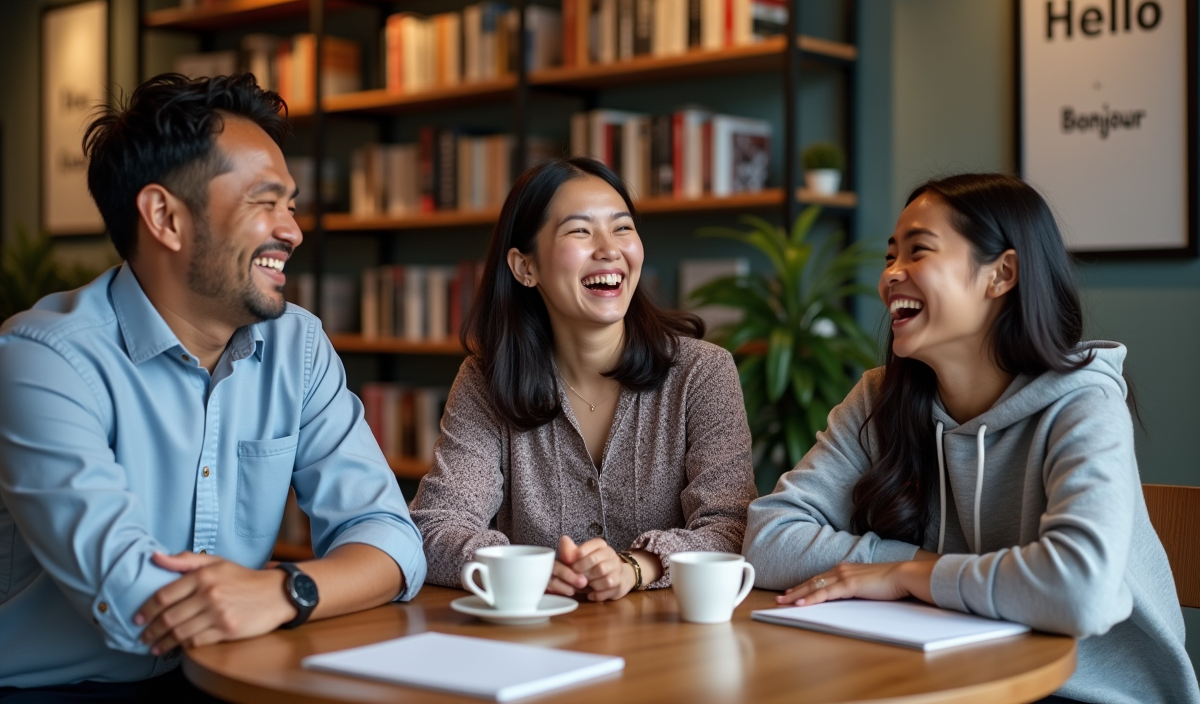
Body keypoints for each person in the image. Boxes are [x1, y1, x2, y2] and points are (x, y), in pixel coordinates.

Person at [0, 73, 426, 700]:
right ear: (165, 217)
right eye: (265, 203)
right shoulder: (41, 358)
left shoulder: (296, 345)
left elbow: (390, 539)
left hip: (231, 673)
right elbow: (140, 601)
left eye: (292, 205)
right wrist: (303, 588)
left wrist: (287, 589)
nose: (293, 231)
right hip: (55, 690)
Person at [742, 173, 1199, 704]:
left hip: (1084, 691)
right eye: (890, 256)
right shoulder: (879, 397)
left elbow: (1081, 590)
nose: (891, 274)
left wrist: (912, 574)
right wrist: (894, 567)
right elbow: (770, 537)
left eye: (918, 252)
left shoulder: (1083, 402)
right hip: (940, 674)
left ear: (1001, 274)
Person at [410, 156, 756, 601]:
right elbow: (435, 527)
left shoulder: (702, 373)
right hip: (538, 647)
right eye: (579, 230)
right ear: (524, 267)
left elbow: (733, 526)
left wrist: (637, 565)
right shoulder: (486, 381)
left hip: (671, 646)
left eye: (623, 228)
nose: (609, 249)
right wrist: (526, 569)